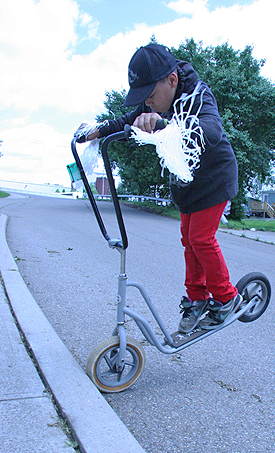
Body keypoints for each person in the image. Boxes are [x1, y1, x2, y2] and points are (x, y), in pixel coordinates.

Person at [76, 43, 242, 332]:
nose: (148, 104)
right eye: (144, 99)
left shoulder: (199, 96)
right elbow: (128, 120)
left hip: (215, 179)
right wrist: (98, 130)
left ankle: (228, 298)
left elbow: (211, 130)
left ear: (172, 80)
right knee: (188, 240)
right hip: (188, 183)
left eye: (151, 96)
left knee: (201, 239)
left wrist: (164, 125)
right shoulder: (156, 100)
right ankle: (197, 298)